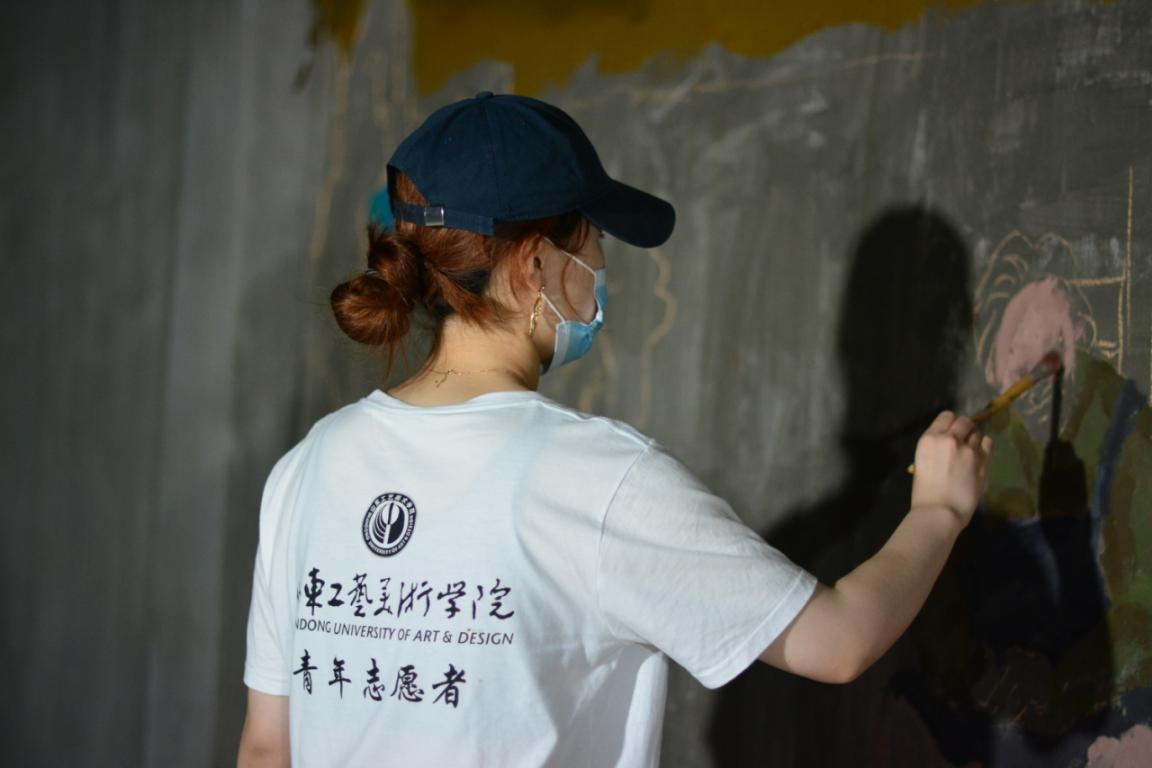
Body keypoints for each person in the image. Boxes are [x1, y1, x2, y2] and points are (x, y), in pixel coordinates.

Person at [236, 92, 992, 768]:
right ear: (534, 265)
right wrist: (939, 510)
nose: (600, 264)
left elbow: (268, 748)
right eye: (592, 239)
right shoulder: (600, 480)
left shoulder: (309, 466)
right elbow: (838, 641)